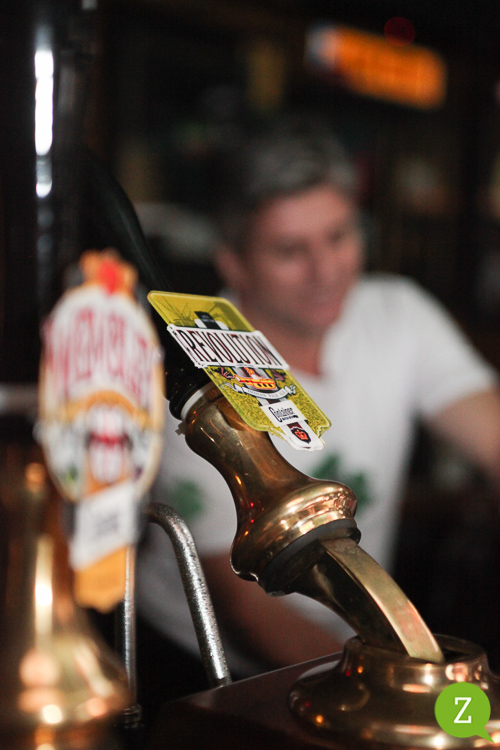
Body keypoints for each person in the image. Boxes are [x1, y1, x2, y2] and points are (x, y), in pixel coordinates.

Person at [135, 115, 500, 699]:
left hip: (358, 644)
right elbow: (246, 605)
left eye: (339, 236)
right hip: (203, 665)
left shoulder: (398, 313)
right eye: (290, 251)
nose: (326, 271)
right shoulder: (194, 373)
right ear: (233, 261)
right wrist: (393, 690)